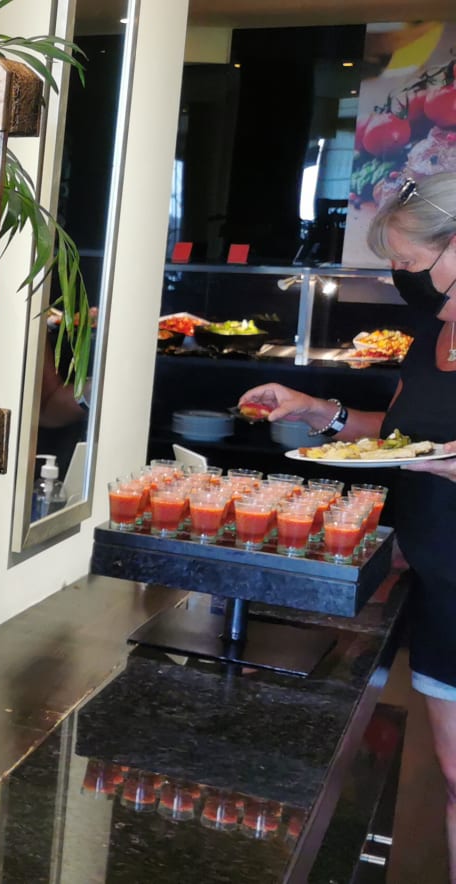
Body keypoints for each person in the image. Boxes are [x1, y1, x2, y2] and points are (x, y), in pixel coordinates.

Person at [239, 171, 456, 878]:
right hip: (440, 587)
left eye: (409, 262)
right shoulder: (434, 333)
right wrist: (319, 411)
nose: (402, 277)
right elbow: (398, 437)